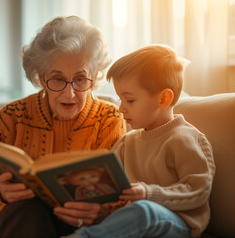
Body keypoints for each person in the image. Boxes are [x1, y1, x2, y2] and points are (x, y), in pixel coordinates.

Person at [0, 16, 126, 238]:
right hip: (16, 222)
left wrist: (103, 212)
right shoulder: (11, 117)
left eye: (80, 79)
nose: (70, 93)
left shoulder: (109, 119)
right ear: (40, 76)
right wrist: (0, 194)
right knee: (29, 209)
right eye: (57, 79)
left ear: (94, 77)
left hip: (81, 228)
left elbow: (125, 193)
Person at [60, 44, 215, 238]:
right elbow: (107, 182)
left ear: (164, 99)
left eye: (130, 100)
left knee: (144, 210)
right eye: (120, 99)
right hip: (134, 224)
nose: (121, 108)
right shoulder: (127, 142)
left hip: (176, 225)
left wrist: (149, 193)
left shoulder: (185, 139)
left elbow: (198, 190)